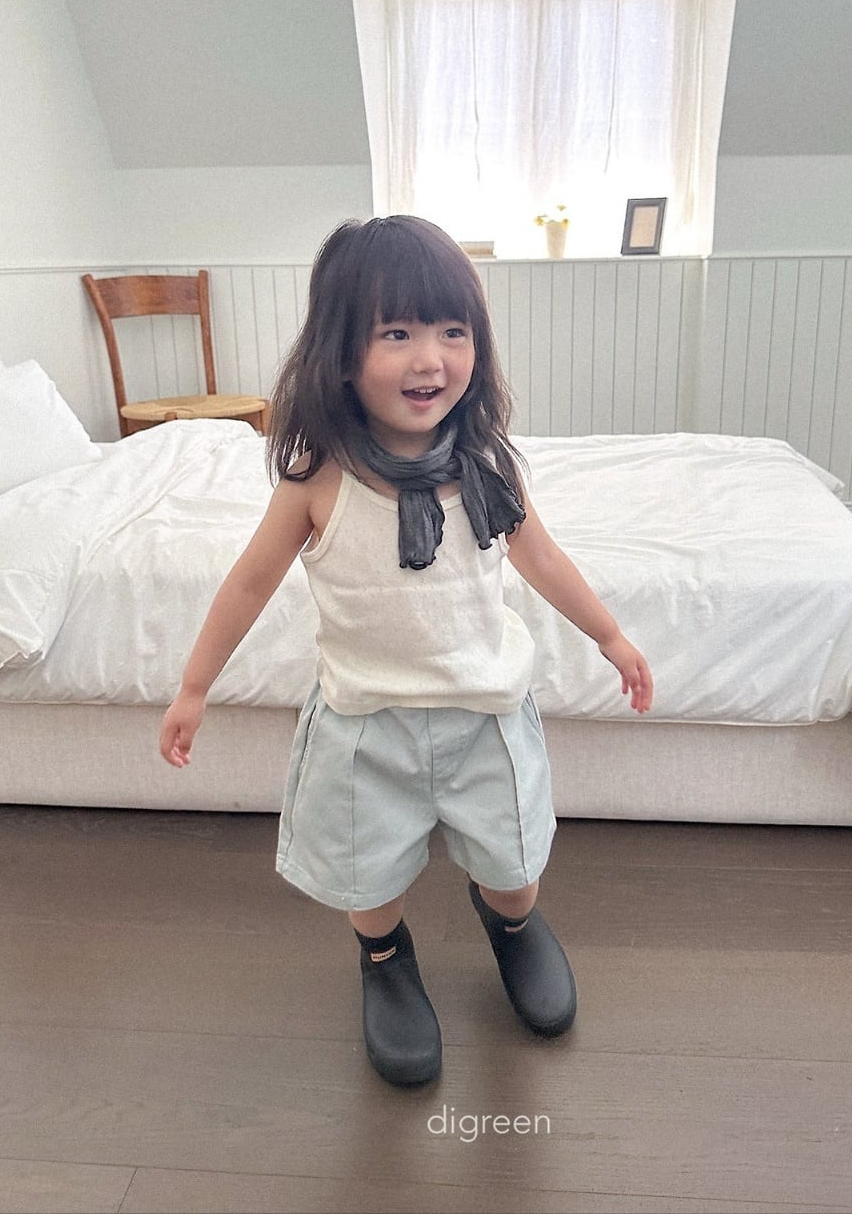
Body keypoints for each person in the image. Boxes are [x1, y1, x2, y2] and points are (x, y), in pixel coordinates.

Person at [160, 215, 653, 1087]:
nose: (430, 359)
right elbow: (248, 582)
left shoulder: (488, 466)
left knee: (513, 867)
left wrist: (610, 635)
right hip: (367, 724)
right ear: (342, 354)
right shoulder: (319, 478)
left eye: (452, 331)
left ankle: (512, 925)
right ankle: (385, 959)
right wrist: (194, 685)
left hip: (484, 713)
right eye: (396, 333)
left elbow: (540, 557)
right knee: (369, 875)